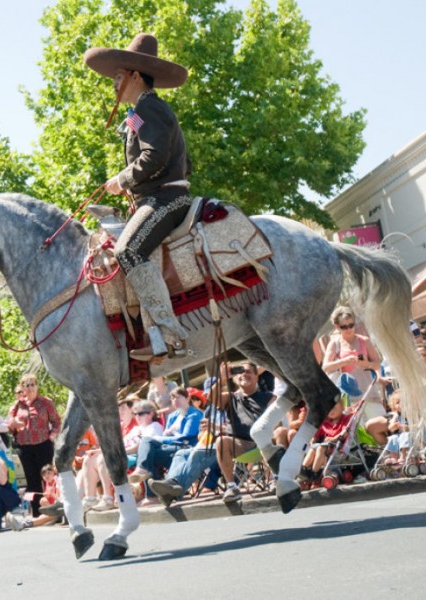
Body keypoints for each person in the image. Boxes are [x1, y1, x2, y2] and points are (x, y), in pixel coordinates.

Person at [84, 33, 191, 361]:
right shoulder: (139, 113)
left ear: (135, 75)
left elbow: (155, 156)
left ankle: (171, 336)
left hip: (166, 199)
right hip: (153, 198)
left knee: (128, 250)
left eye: (118, 76)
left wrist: (123, 179)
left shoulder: (150, 107)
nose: (114, 83)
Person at [149, 362, 275, 505]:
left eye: (248, 372)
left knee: (211, 446)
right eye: (239, 372)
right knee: (181, 454)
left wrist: (215, 427)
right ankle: (171, 487)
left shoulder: (268, 397)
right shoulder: (231, 397)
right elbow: (212, 398)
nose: (244, 374)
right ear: (234, 378)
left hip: (253, 443)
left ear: (256, 376)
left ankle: (231, 487)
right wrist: (222, 378)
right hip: (229, 444)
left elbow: (266, 424)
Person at [322, 306, 386, 443]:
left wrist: (366, 364)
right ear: (337, 327)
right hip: (350, 397)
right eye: (344, 326)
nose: (349, 329)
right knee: (363, 436)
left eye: (351, 325)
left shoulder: (364, 340)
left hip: (369, 392)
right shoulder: (335, 343)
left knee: (382, 427)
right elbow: (325, 367)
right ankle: (373, 460)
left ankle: (392, 457)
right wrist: (343, 361)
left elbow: (377, 363)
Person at [129, 387, 203, 503]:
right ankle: (152, 494)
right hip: (172, 449)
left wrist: (162, 438)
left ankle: (143, 473)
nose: (175, 400)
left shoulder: (194, 414)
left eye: (178, 397)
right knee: (148, 454)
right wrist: (165, 437)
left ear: (187, 398)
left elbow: (186, 437)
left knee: (147, 440)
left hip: (188, 449)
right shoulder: (173, 416)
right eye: (172, 397)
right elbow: (166, 435)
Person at [7, 375, 61, 516]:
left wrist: (52, 436)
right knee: (31, 479)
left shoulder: (46, 403)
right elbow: (9, 426)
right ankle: (37, 512)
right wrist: (13, 425)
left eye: (32, 384)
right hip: (24, 446)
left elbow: (56, 422)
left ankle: (52, 507)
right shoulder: (17, 406)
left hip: (43, 444)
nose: (30, 388)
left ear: (37, 386)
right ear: (22, 388)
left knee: (48, 476)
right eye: (27, 385)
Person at [299, 402, 352, 482]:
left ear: (342, 408)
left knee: (321, 447)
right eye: (328, 409)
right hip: (327, 447)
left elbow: (345, 433)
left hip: (338, 447)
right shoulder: (325, 422)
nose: (331, 411)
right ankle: (304, 470)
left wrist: (334, 438)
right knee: (313, 448)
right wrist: (313, 440)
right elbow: (316, 436)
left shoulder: (346, 419)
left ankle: (315, 473)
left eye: (334, 408)